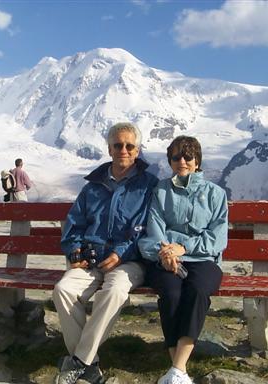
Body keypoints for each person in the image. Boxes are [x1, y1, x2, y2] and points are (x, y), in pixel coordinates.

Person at [52, 122, 159, 384]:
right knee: (63, 289)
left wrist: (122, 253)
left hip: (130, 262)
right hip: (91, 260)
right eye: (118, 145)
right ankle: (90, 364)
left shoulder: (150, 186)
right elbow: (74, 225)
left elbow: (149, 229)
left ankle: (77, 361)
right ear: (109, 149)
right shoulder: (92, 187)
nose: (123, 150)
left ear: (138, 150)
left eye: (129, 145)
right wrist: (74, 250)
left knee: (113, 292)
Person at [138, 136, 228, 384]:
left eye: (188, 156)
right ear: (169, 160)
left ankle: (177, 368)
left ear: (197, 160)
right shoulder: (161, 191)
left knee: (198, 290)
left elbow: (217, 238)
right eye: (176, 157)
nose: (182, 161)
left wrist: (183, 247)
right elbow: (154, 227)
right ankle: (178, 371)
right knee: (171, 292)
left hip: (203, 259)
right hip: (166, 257)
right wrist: (164, 252)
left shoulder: (215, 194)